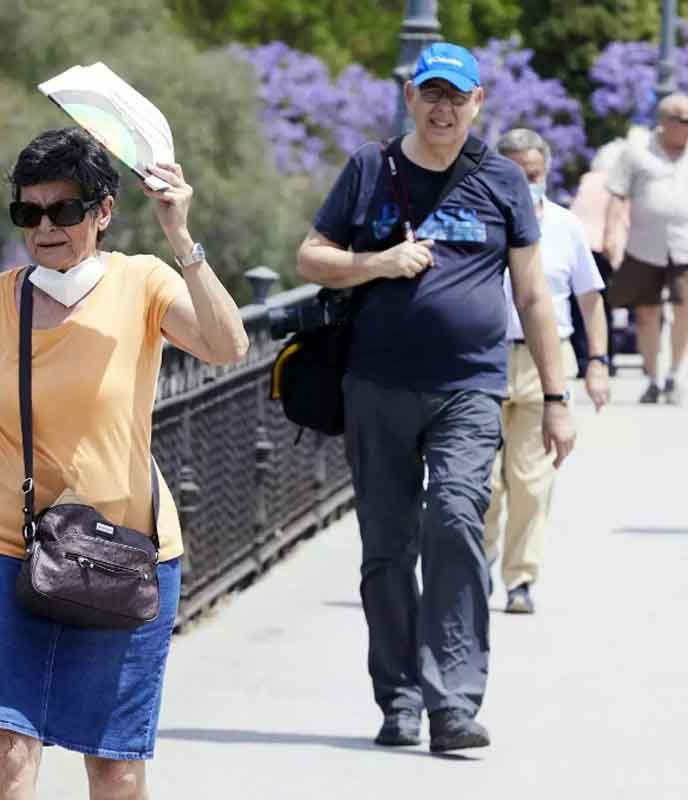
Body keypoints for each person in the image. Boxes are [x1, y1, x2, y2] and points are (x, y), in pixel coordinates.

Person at [0, 127, 248, 800]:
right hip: (10, 549)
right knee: (7, 747)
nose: (45, 227)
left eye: (64, 210)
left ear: (103, 212)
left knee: (112, 765)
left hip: (126, 552)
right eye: (29, 212)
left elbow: (228, 347)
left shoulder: (143, 282)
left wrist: (181, 238)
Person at [297, 42, 575, 753]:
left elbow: (534, 295)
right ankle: (399, 701)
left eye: (457, 96)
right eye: (432, 94)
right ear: (411, 99)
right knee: (387, 548)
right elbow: (311, 258)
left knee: (454, 520)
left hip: (469, 389)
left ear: (478, 103)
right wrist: (378, 262)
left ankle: (452, 701)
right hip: (377, 386)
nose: (443, 108)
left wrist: (556, 395)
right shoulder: (370, 167)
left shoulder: (505, 180)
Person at [485, 128, 611, 616]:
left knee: (531, 479)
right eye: (513, 174)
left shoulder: (564, 226)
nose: (523, 183)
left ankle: (520, 578)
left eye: (532, 175)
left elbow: (590, 299)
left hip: (546, 359)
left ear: (546, 174)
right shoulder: (479, 223)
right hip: (484, 357)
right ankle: (480, 561)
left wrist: (597, 364)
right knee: (483, 482)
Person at [603, 93, 688, 405]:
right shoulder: (636, 152)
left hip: (685, 245)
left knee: (685, 310)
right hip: (644, 245)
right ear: (666, 122)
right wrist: (611, 233)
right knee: (646, 313)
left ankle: (675, 375)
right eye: (684, 121)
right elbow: (617, 195)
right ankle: (652, 378)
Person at [568, 139, 629, 375]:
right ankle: (605, 359)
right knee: (601, 307)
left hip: (580, 246)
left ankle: (583, 358)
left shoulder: (588, 179)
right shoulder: (620, 184)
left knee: (579, 307)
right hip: (604, 248)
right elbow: (623, 220)